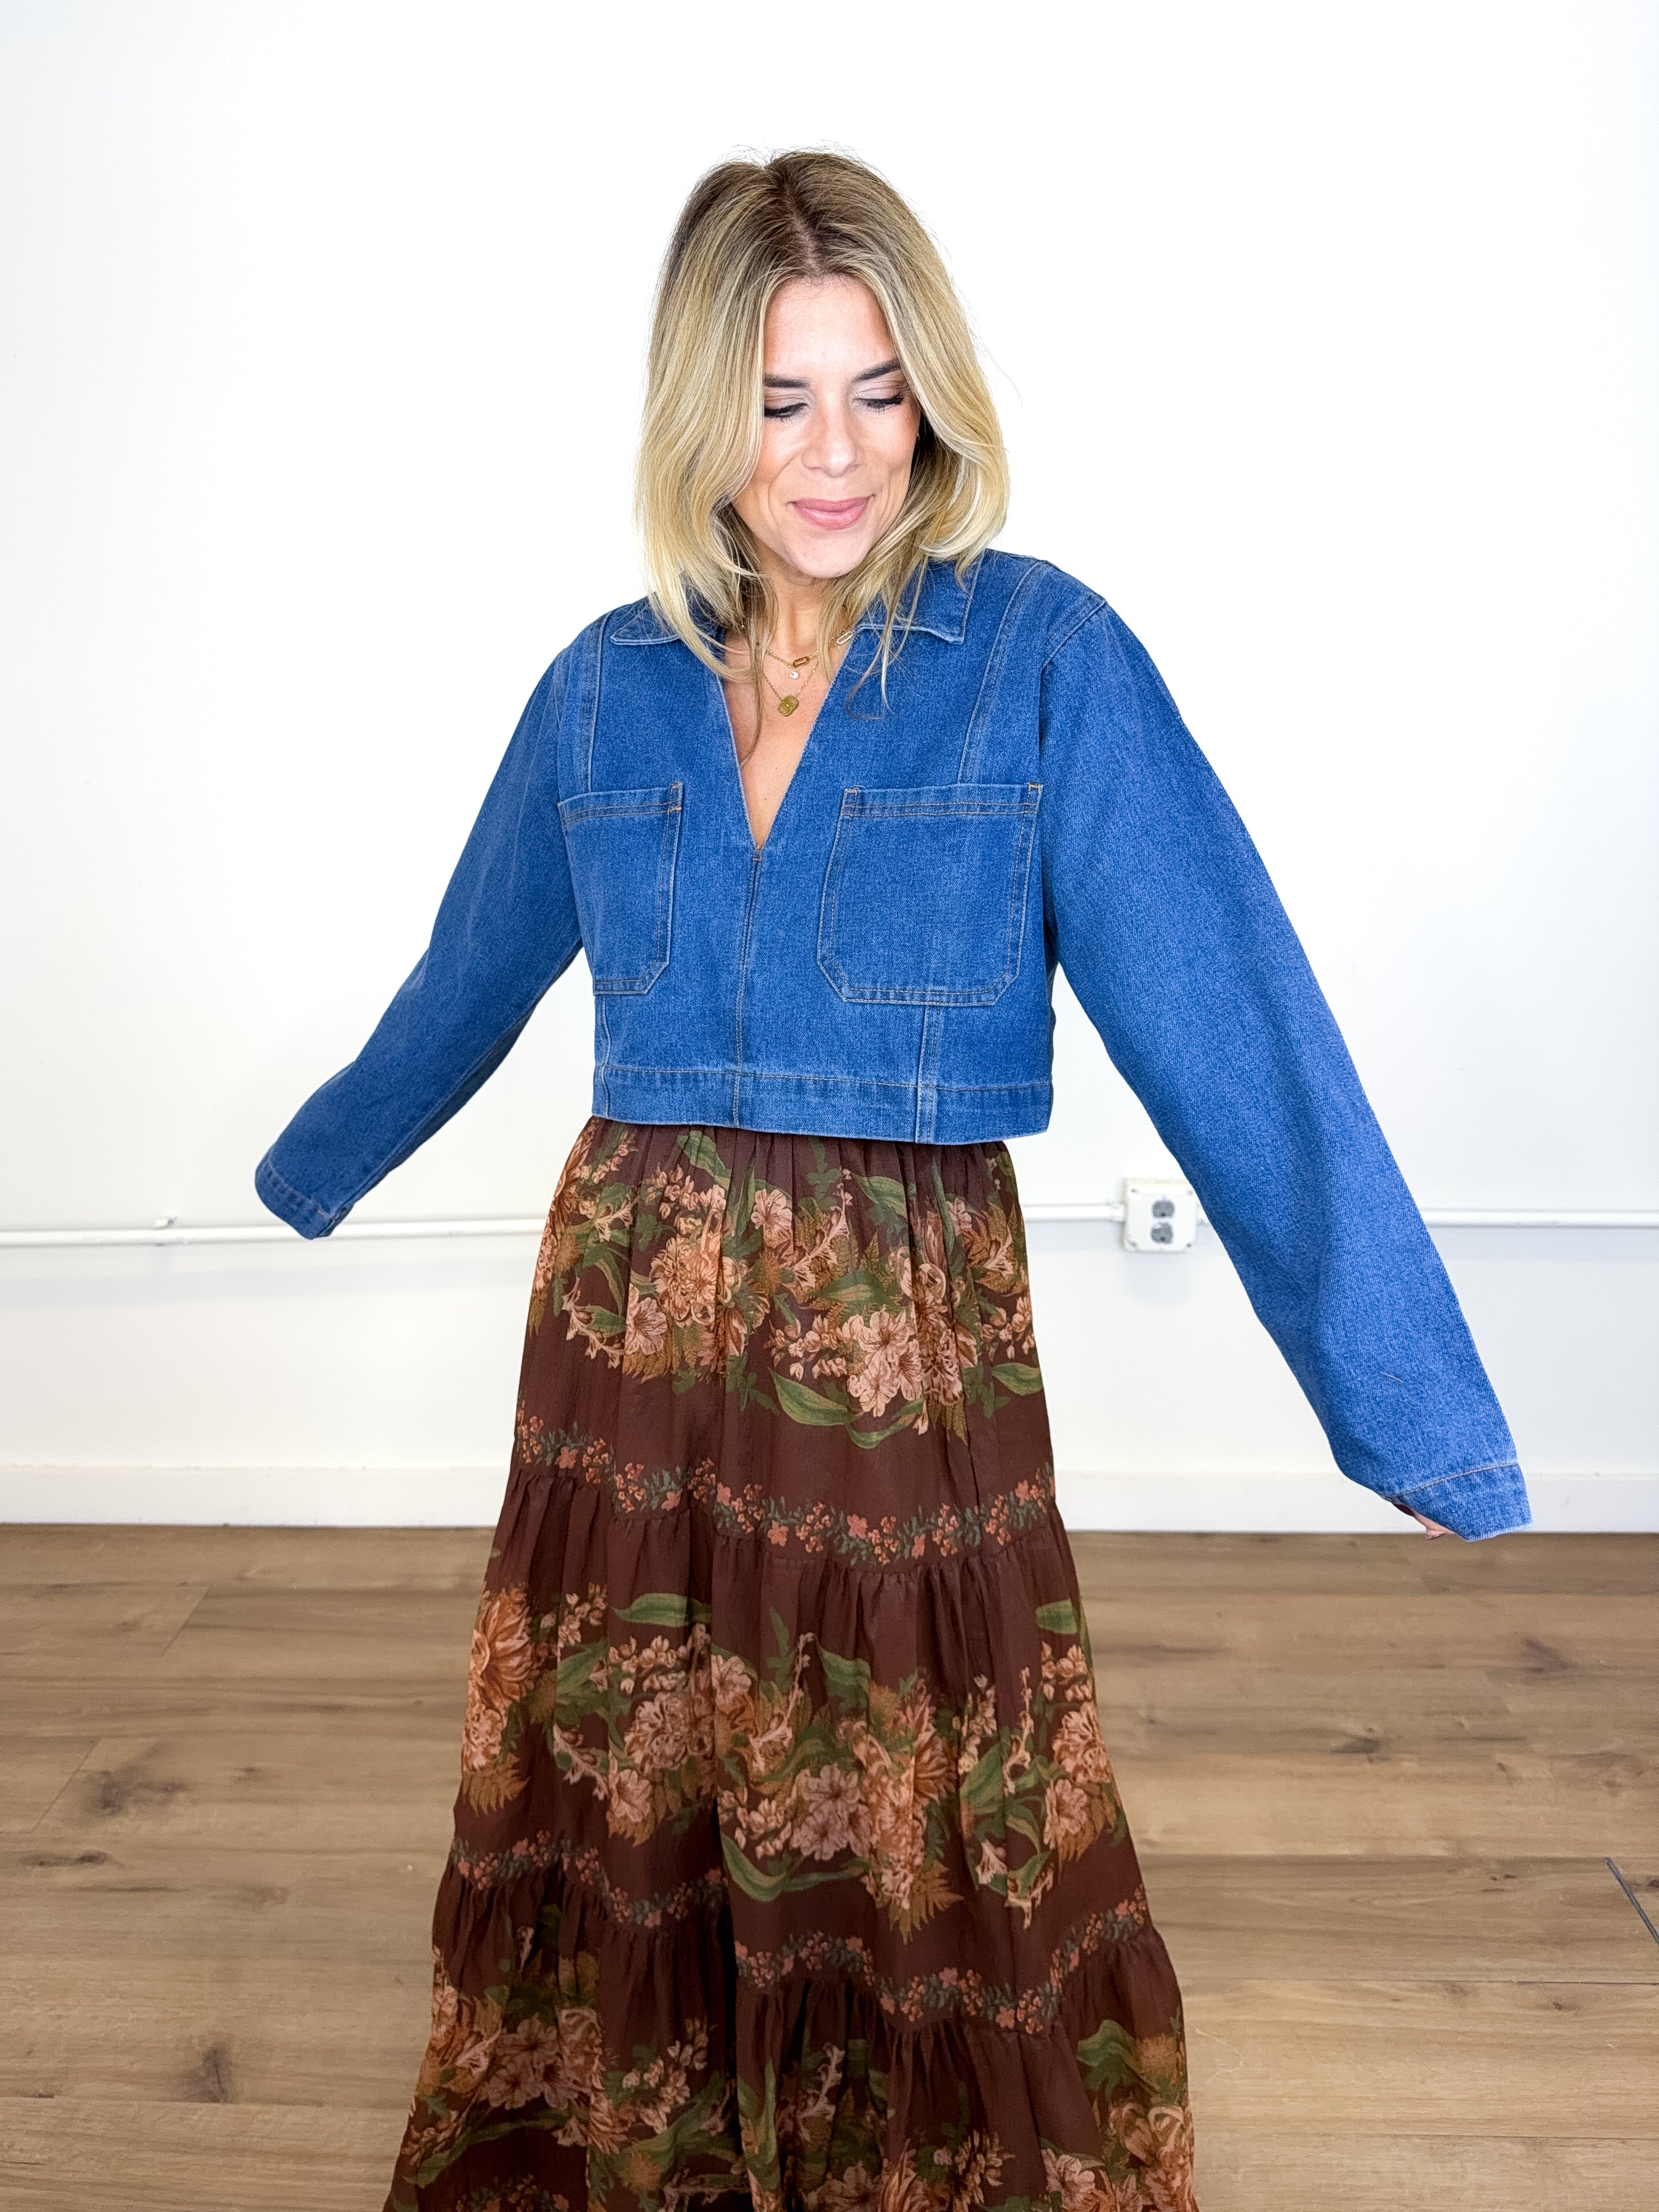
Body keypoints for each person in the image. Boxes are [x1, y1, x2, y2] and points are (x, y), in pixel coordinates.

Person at [256, 150, 1530, 2212]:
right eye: (780, 400)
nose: (837, 451)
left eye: (877, 389)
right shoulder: (603, 683)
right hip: (630, 1328)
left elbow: (1234, 1011)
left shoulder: (1037, 658)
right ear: (702, 415)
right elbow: (469, 971)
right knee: (644, 1752)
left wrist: (1408, 1405)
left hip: (897, 1329)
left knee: (915, 1778)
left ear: (934, 395)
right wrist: (320, 1160)